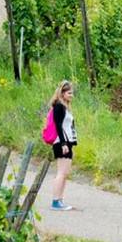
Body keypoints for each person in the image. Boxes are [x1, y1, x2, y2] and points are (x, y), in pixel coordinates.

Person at [49, 80, 77, 211]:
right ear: (63, 93)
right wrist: (64, 143)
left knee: (65, 173)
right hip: (61, 142)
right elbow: (59, 126)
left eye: (72, 93)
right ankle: (55, 200)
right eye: (69, 93)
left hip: (68, 142)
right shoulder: (59, 106)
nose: (71, 95)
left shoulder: (66, 107)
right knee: (61, 172)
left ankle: (60, 199)